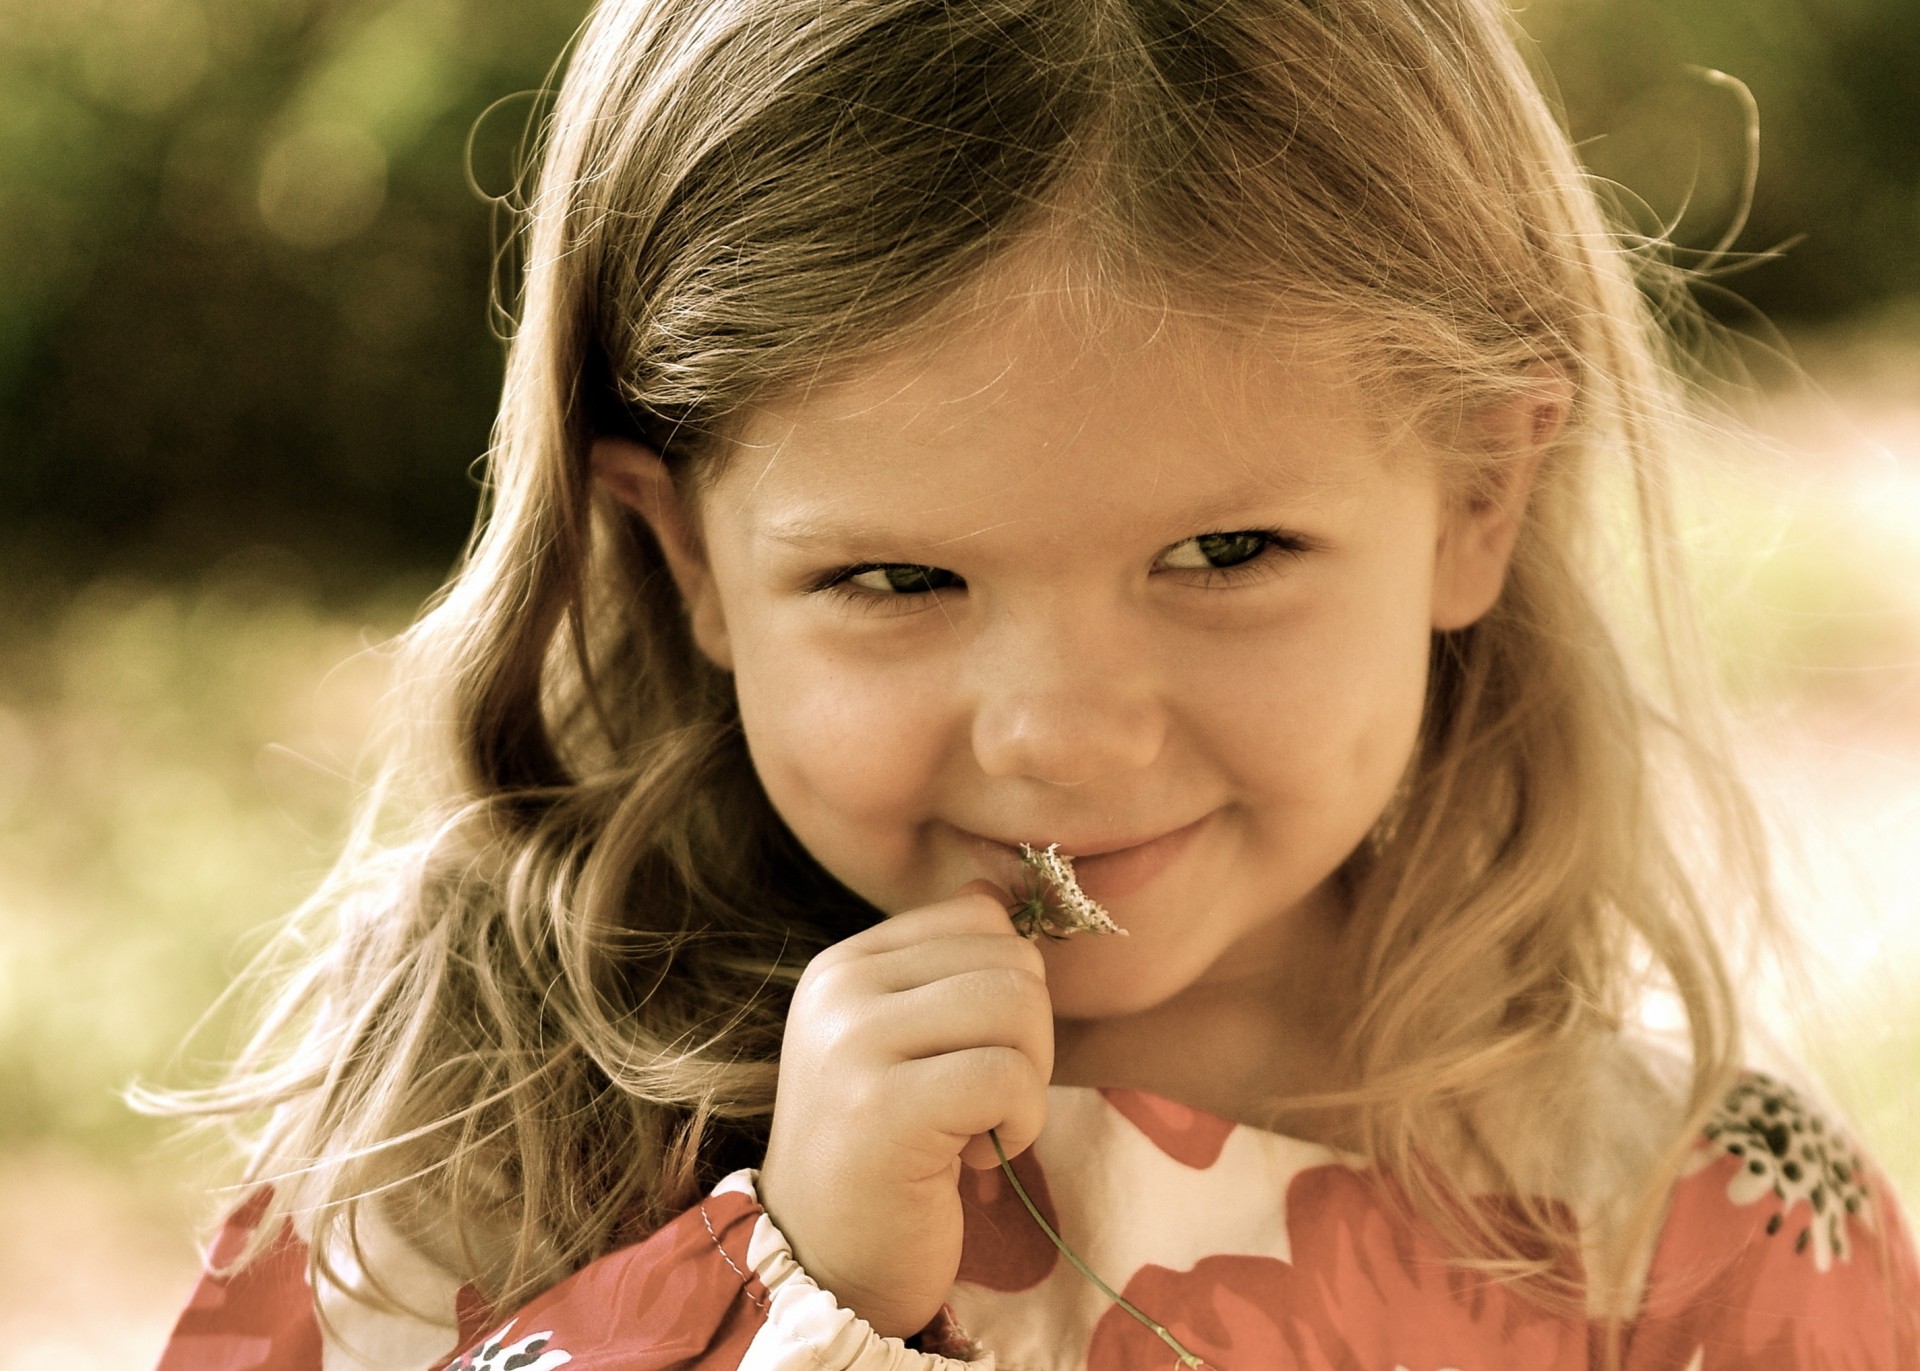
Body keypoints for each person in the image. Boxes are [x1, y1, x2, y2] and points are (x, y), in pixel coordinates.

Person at [153, 0, 1920, 1366]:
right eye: (897, 580)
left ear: (1477, 495)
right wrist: (795, 1294)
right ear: (685, 557)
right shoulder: (493, 1126)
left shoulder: (1707, 1228)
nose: (1066, 735)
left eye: (1228, 555)